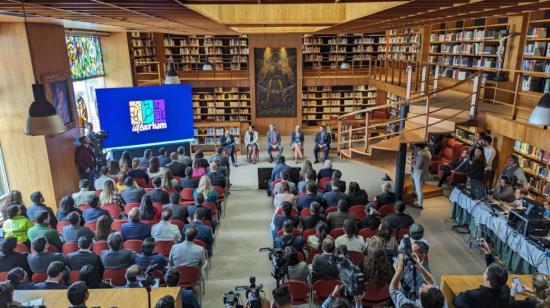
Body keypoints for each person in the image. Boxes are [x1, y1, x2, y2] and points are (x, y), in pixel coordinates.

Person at [412, 144, 432, 209]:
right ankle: (415, 195)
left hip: (419, 173)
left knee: (419, 190)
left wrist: (412, 163)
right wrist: (416, 160)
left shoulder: (422, 154)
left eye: (415, 147)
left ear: (419, 148)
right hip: (424, 172)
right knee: (419, 188)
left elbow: (418, 166)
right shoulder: (428, 152)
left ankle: (420, 204)